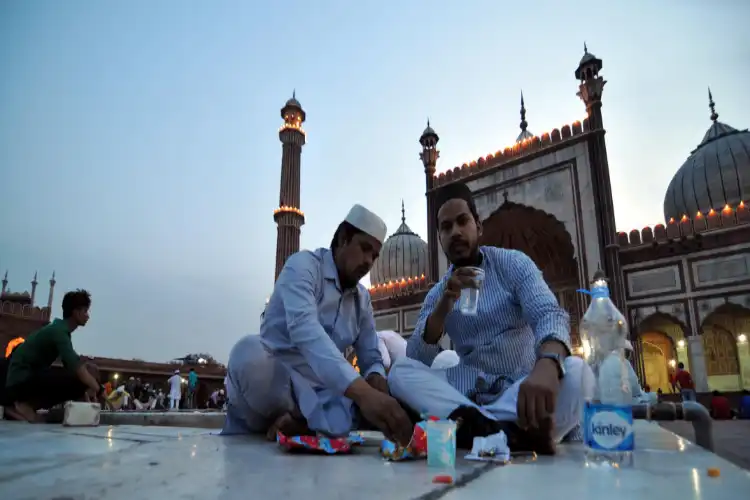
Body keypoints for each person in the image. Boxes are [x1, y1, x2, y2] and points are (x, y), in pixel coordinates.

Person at [387, 182, 591, 454]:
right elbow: (416, 357)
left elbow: (549, 314)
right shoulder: (439, 293)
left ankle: (476, 431)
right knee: (400, 372)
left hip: (519, 392)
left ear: (478, 227)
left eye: (462, 221)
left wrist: (548, 363)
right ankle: (502, 433)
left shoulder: (512, 264)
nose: (455, 232)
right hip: (465, 396)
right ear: (439, 238)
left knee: (580, 373)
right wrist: (445, 303)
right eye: (446, 227)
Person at [223, 204, 413, 445]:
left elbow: (371, 356)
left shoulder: (361, 299)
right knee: (248, 353)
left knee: (349, 399)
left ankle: (301, 422)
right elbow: (305, 331)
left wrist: (378, 388)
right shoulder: (303, 266)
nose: (368, 261)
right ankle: (302, 419)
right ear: (343, 239)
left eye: (374, 256)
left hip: (319, 393)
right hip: (274, 381)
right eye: (365, 249)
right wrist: (365, 395)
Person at [0, 289, 103, 422]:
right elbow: (78, 369)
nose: (87, 316)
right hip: (20, 382)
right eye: (85, 311)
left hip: (20, 381)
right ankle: (22, 404)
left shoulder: (60, 330)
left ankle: (20, 406)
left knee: (78, 379)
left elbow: (72, 367)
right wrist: (99, 389)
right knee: (80, 380)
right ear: (76, 312)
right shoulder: (59, 332)